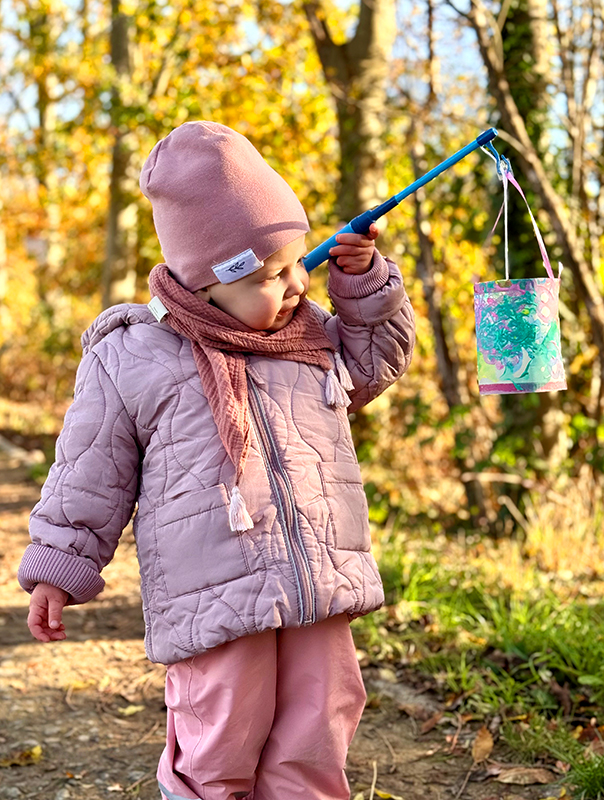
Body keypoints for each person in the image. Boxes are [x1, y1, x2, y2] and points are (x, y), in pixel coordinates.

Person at [18, 121, 415, 800]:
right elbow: (89, 472)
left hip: (318, 580)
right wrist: (60, 567)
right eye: (269, 275)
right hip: (214, 597)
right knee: (221, 735)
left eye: (297, 262)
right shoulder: (133, 354)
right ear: (203, 287)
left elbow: (376, 365)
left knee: (318, 729)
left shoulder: (311, 333)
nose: (295, 284)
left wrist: (364, 287)